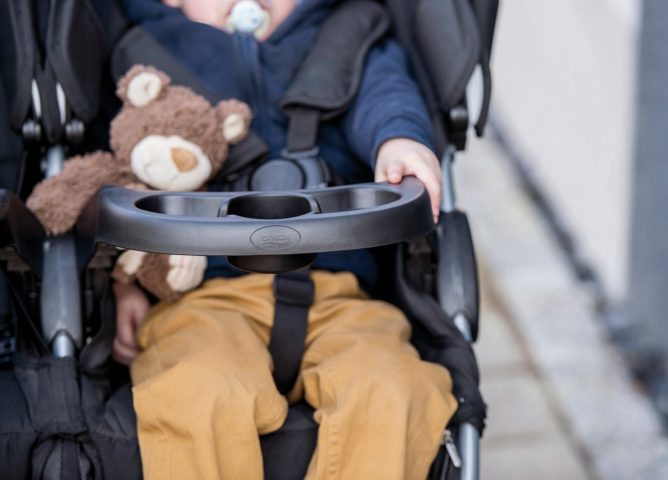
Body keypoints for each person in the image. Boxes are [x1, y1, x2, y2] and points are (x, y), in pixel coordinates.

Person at [113, 0, 457, 479]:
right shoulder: (146, 56)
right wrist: (125, 285)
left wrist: (397, 139)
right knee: (193, 391)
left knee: (395, 389)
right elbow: (120, 174)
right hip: (202, 297)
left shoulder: (345, 34)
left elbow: (386, 93)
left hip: (340, 291)